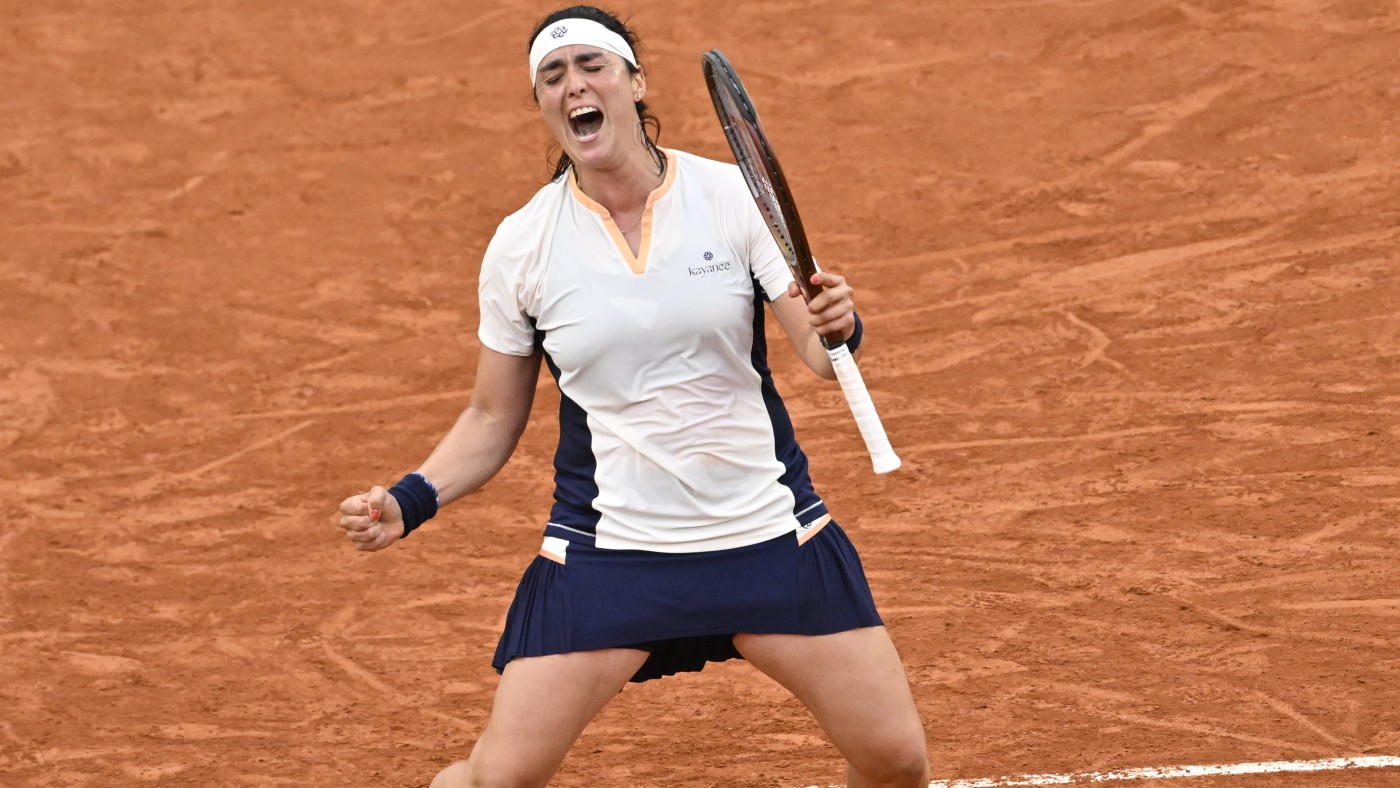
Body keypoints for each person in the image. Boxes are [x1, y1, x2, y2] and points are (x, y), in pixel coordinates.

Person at [336, 6, 930, 787]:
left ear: (635, 82)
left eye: (593, 66)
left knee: (895, 761)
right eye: (553, 76)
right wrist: (410, 500)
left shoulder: (728, 197)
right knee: (495, 779)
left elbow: (820, 355)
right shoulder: (523, 244)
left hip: (763, 533)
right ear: (543, 104)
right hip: (613, 551)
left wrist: (840, 325)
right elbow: (491, 416)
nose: (574, 85)